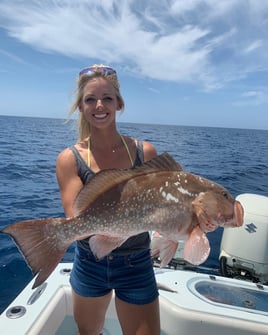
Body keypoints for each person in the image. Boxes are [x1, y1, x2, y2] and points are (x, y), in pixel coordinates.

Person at [56, 64, 160, 335]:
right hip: (90, 262)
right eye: (90, 99)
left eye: (107, 98)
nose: (99, 105)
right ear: (81, 106)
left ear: (119, 104)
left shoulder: (145, 152)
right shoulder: (70, 159)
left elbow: (164, 201)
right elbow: (74, 218)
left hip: (136, 261)